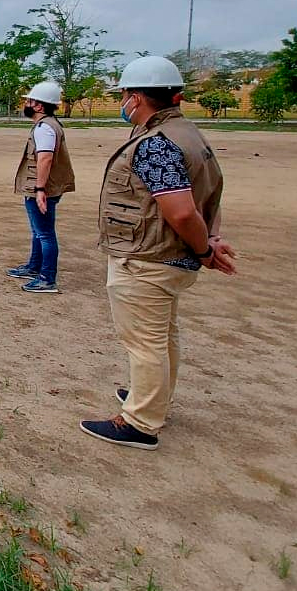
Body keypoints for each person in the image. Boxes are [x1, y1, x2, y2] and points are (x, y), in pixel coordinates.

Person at [81, 56, 236, 451]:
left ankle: (140, 422)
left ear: (135, 97)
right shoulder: (189, 134)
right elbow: (208, 195)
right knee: (164, 336)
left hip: (149, 258)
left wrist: (204, 249)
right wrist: (207, 243)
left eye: (124, 96)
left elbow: (181, 209)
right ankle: (153, 399)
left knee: (145, 341)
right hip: (169, 257)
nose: (123, 103)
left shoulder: (156, 145)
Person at [7, 81, 75, 292]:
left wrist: (40, 189)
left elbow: (45, 159)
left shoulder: (45, 127)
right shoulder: (48, 124)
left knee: (44, 233)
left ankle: (47, 278)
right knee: (38, 231)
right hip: (42, 186)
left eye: (29, 100)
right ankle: (34, 266)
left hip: (42, 187)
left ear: (38, 105)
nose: (25, 104)